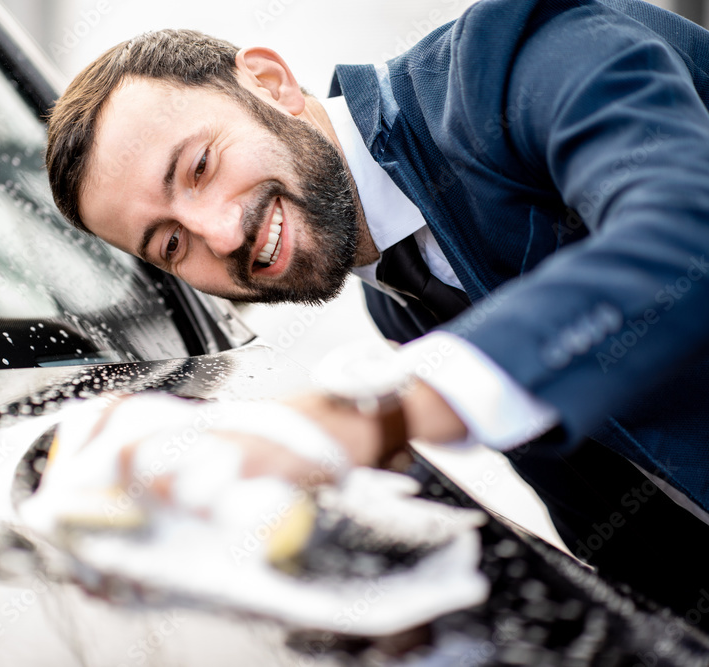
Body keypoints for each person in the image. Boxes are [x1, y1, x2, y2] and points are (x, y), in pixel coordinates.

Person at [44, 0, 709, 627]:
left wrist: (361, 416)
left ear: (270, 82)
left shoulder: (520, 57)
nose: (219, 234)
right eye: (170, 244)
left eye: (199, 166)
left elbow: (686, 238)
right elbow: (623, 529)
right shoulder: (395, 305)